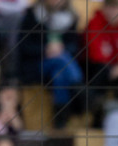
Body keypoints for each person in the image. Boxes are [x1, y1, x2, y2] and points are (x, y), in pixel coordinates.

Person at [16, 0, 83, 128]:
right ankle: (77, 84)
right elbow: (24, 46)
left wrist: (61, 49)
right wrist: (45, 50)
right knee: (61, 60)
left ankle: (60, 116)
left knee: (59, 73)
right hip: (35, 65)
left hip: (59, 69)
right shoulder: (32, 15)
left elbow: (75, 47)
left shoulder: (71, 18)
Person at [83, 0, 118, 119]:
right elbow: (95, 55)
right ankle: (96, 112)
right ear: (104, 8)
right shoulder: (95, 24)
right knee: (102, 70)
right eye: (111, 7)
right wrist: (116, 67)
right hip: (94, 70)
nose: (114, 12)